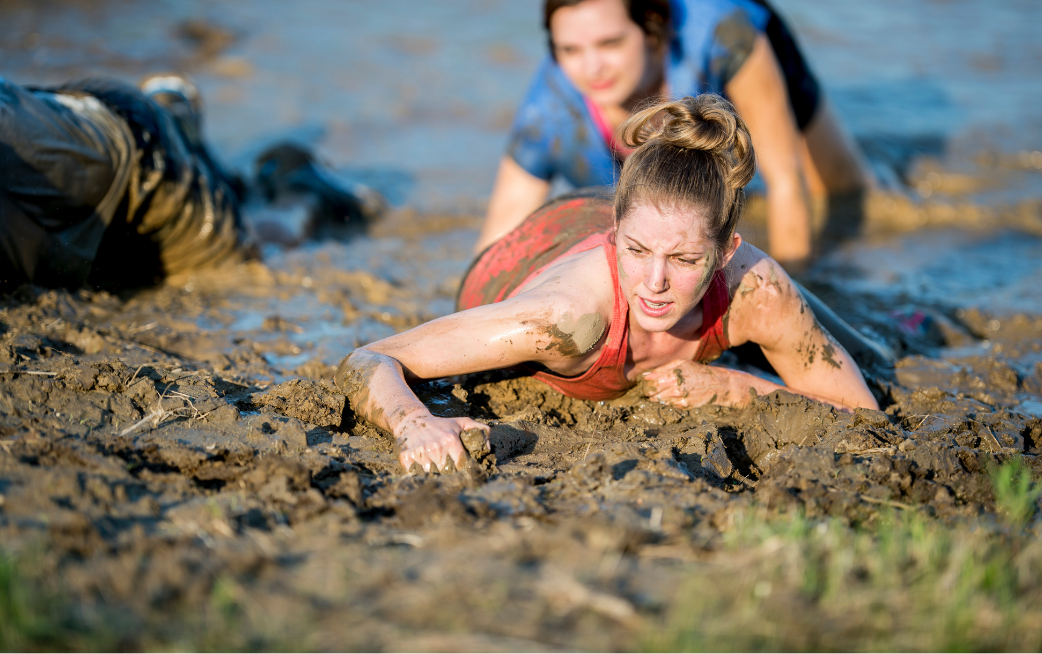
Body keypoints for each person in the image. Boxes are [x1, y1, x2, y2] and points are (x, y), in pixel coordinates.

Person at [336, 94, 879, 475]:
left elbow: (866, 422)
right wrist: (414, 425)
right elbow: (370, 359)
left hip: (650, 212)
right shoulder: (562, 320)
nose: (656, 282)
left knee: (862, 348)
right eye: (637, 253)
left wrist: (740, 387)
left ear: (726, 252)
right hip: (536, 246)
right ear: (617, 236)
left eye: (687, 260)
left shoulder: (753, 285)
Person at [476, 0, 874, 270]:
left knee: (840, 190)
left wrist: (793, 286)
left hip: (747, 39)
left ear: (652, 29)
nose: (591, 67)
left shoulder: (724, 35)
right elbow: (497, 243)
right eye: (569, 50)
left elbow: (787, 180)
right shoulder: (547, 114)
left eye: (610, 43)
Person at [0, 74, 377, 291]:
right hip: (79, 179)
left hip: (144, 161)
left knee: (247, 261)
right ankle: (178, 123)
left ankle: (299, 188)